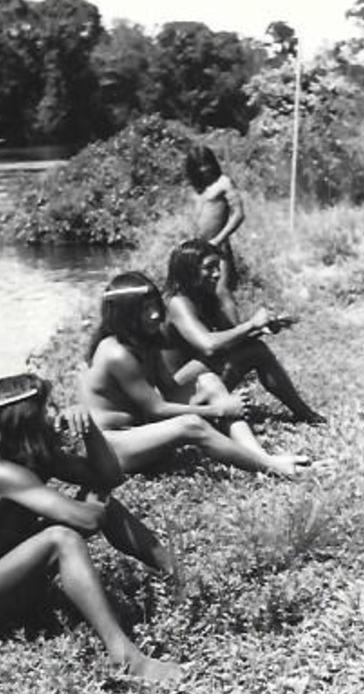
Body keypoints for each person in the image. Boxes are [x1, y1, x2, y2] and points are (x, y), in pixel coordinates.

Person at [0, 373, 182, 687]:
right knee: (61, 539)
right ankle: (127, 659)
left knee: (100, 505)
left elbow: (109, 476)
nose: (56, 413)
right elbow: (88, 520)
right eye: (47, 408)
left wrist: (90, 430)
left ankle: (180, 576)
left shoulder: (32, 457)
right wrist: (94, 500)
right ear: (28, 421)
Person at [80, 272, 310, 479]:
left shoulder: (146, 340)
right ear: (124, 315)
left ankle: (260, 457)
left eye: (155, 307)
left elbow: (169, 388)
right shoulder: (117, 353)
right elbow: (156, 409)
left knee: (208, 381)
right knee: (190, 425)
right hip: (113, 448)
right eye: (144, 311)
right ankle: (272, 468)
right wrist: (218, 410)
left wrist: (210, 381)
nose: (154, 315)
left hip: (141, 429)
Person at [162, 239, 326, 425]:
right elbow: (208, 345)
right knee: (255, 351)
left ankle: (305, 414)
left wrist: (263, 329)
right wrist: (251, 325)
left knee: (255, 348)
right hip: (176, 394)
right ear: (188, 271)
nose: (216, 274)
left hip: (199, 382)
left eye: (217, 267)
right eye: (209, 268)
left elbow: (230, 339)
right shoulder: (177, 302)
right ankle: (306, 415)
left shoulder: (202, 296)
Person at [185, 143, 245, 323]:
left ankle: (238, 335)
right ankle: (211, 333)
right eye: (199, 166)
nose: (204, 169)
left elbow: (239, 214)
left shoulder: (224, 182)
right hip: (197, 249)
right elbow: (193, 218)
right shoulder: (194, 189)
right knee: (198, 292)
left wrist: (218, 240)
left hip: (218, 247)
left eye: (207, 163)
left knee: (221, 290)